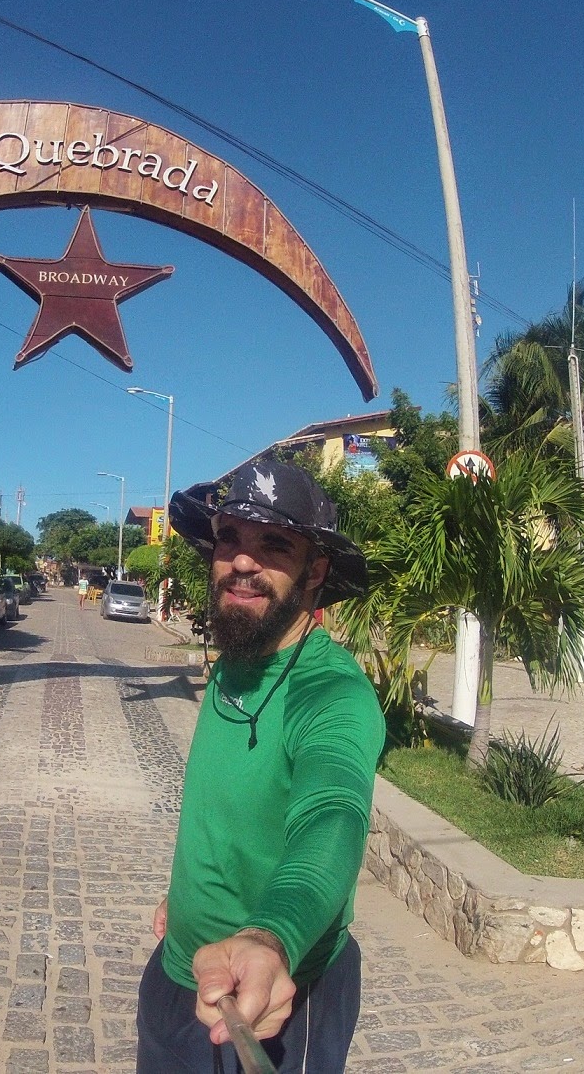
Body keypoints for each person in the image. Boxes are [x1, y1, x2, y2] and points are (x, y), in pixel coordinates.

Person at [137, 460, 384, 1074]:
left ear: (315, 572)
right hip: (177, 974)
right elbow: (231, 804)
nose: (242, 562)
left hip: (273, 1000)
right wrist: (187, 893)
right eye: (230, 538)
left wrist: (270, 937)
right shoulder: (237, 661)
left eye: (274, 544)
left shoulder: (331, 694)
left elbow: (333, 818)